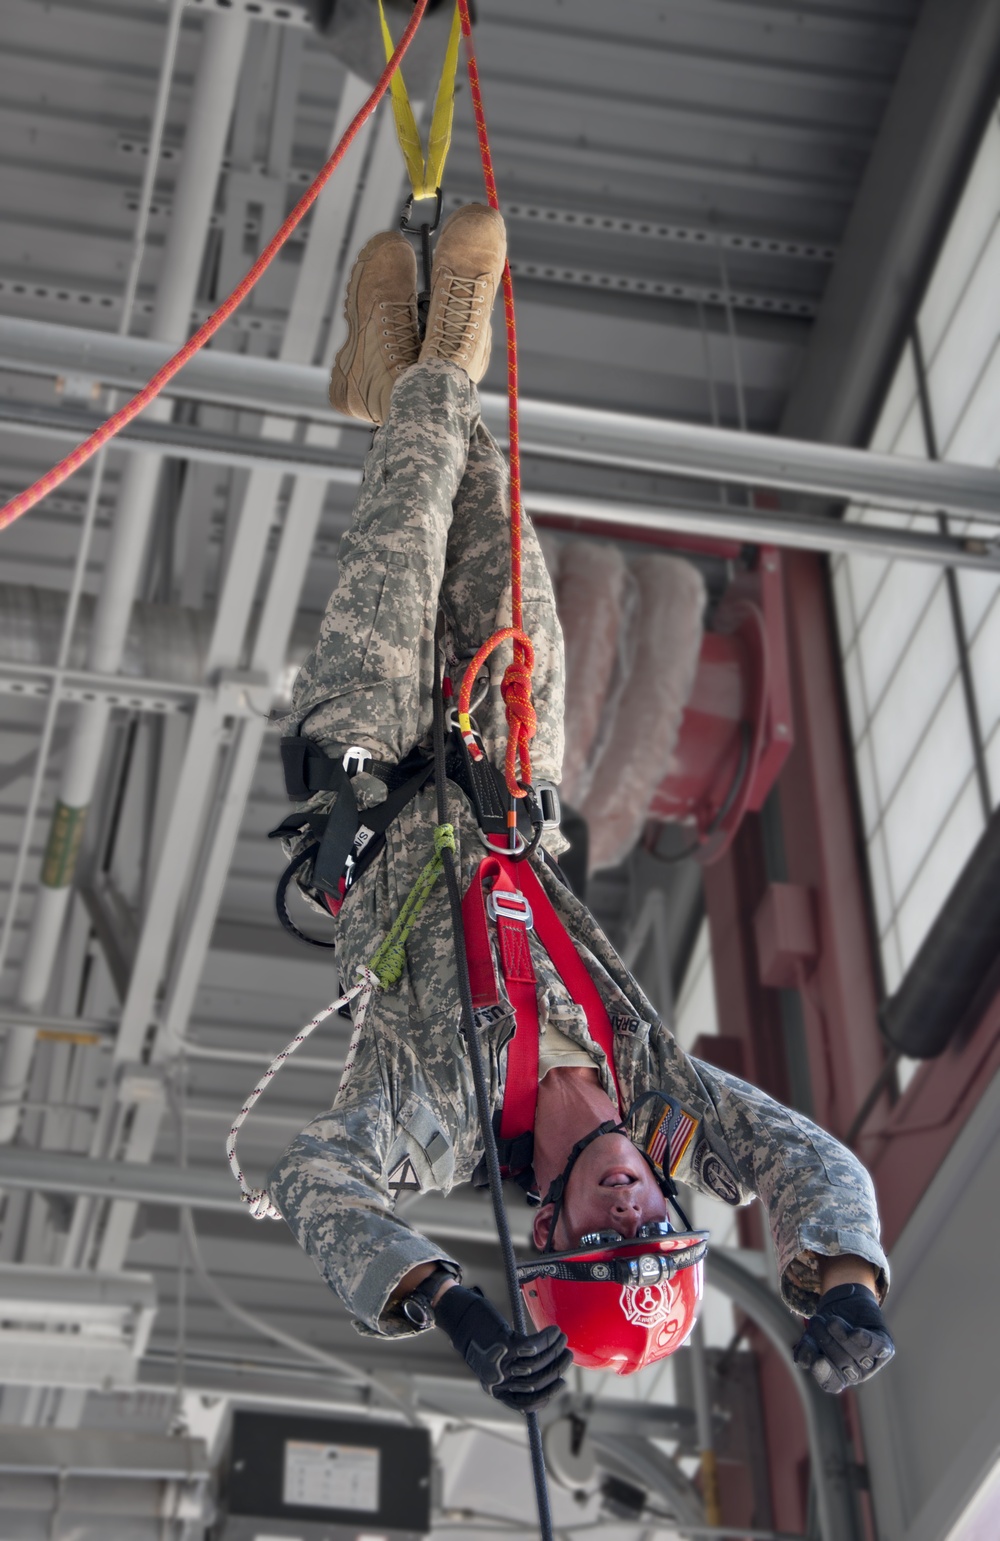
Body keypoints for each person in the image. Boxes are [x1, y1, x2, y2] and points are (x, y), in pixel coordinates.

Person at [266, 204, 895, 1411]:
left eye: (606, 1239)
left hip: (374, 769)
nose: (633, 1206)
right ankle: (397, 373)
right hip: (510, 774)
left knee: (408, 518)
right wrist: (846, 1278)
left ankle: (437, 350)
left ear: (549, 1231)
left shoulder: (436, 1118)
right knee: (497, 521)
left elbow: (320, 1180)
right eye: (656, 1227)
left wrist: (443, 1300)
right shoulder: (666, 1100)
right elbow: (811, 1161)